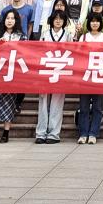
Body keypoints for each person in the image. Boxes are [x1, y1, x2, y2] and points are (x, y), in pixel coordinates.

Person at [0, 8, 24, 144]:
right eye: (7, 18)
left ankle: (6, 133)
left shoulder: (22, 37)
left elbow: (25, 54)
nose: (10, 21)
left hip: (12, 73)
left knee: (9, 103)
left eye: (12, 18)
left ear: (16, 21)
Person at [35, 10, 73, 143]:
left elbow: (72, 52)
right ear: (51, 20)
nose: (58, 21)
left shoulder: (68, 35)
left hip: (61, 71)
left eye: (61, 19)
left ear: (64, 21)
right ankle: (41, 133)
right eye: (55, 18)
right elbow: (39, 51)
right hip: (46, 70)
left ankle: (54, 133)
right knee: (43, 102)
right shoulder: (45, 34)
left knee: (57, 102)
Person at [77, 11, 103, 144]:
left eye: (97, 21)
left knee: (97, 107)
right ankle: (83, 133)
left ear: (100, 23)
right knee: (84, 107)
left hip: (100, 76)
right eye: (92, 21)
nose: (94, 23)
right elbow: (78, 55)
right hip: (85, 76)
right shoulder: (83, 37)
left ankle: (93, 133)